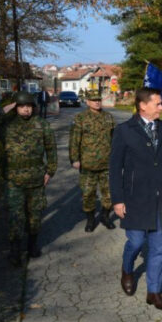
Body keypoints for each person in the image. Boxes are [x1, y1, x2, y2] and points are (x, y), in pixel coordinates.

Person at [110, 87, 162, 309]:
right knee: (136, 242)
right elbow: (115, 168)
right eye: (158, 103)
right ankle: (127, 268)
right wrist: (117, 199)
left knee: (159, 248)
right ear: (143, 105)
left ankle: (153, 292)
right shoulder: (124, 131)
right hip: (135, 199)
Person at [3, 91, 57, 266]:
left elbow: (51, 149)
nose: (25, 110)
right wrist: (5, 112)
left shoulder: (41, 125)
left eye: (28, 106)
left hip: (36, 178)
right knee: (16, 216)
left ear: (33, 108)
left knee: (34, 216)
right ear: (16, 108)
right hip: (14, 179)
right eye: (21, 106)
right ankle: (15, 250)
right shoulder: (8, 124)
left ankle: (32, 245)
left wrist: (50, 171)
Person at [69, 91, 117, 232]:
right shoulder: (80, 118)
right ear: (88, 102)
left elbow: (116, 139)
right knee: (88, 193)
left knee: (108, 193)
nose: (97, 102)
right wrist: (74, 159)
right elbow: (74, 140)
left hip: (107, 163)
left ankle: (105, 216)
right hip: (87, 164)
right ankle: (90, 220)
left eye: (98, 100)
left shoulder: (109, 117)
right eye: (93, 100)